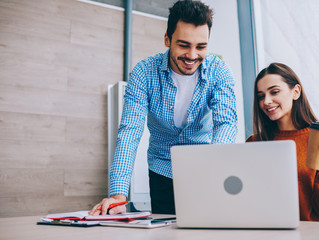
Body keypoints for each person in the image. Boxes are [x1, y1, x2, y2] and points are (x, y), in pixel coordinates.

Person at [89, 0, 238, 215]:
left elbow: (226, 123)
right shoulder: (144, 73)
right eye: (184, 45)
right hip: (161, 168)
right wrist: (118, 195)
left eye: (201, 46)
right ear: (167, 39)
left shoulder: (219, 72)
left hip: (204, 167)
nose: (192, 55)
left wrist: (213, 167)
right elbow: (130, 132)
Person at [246, 62, 319, 221]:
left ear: (296, 92)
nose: (266, 101)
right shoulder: (255, 143)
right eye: (261, 96)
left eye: (274, 92)